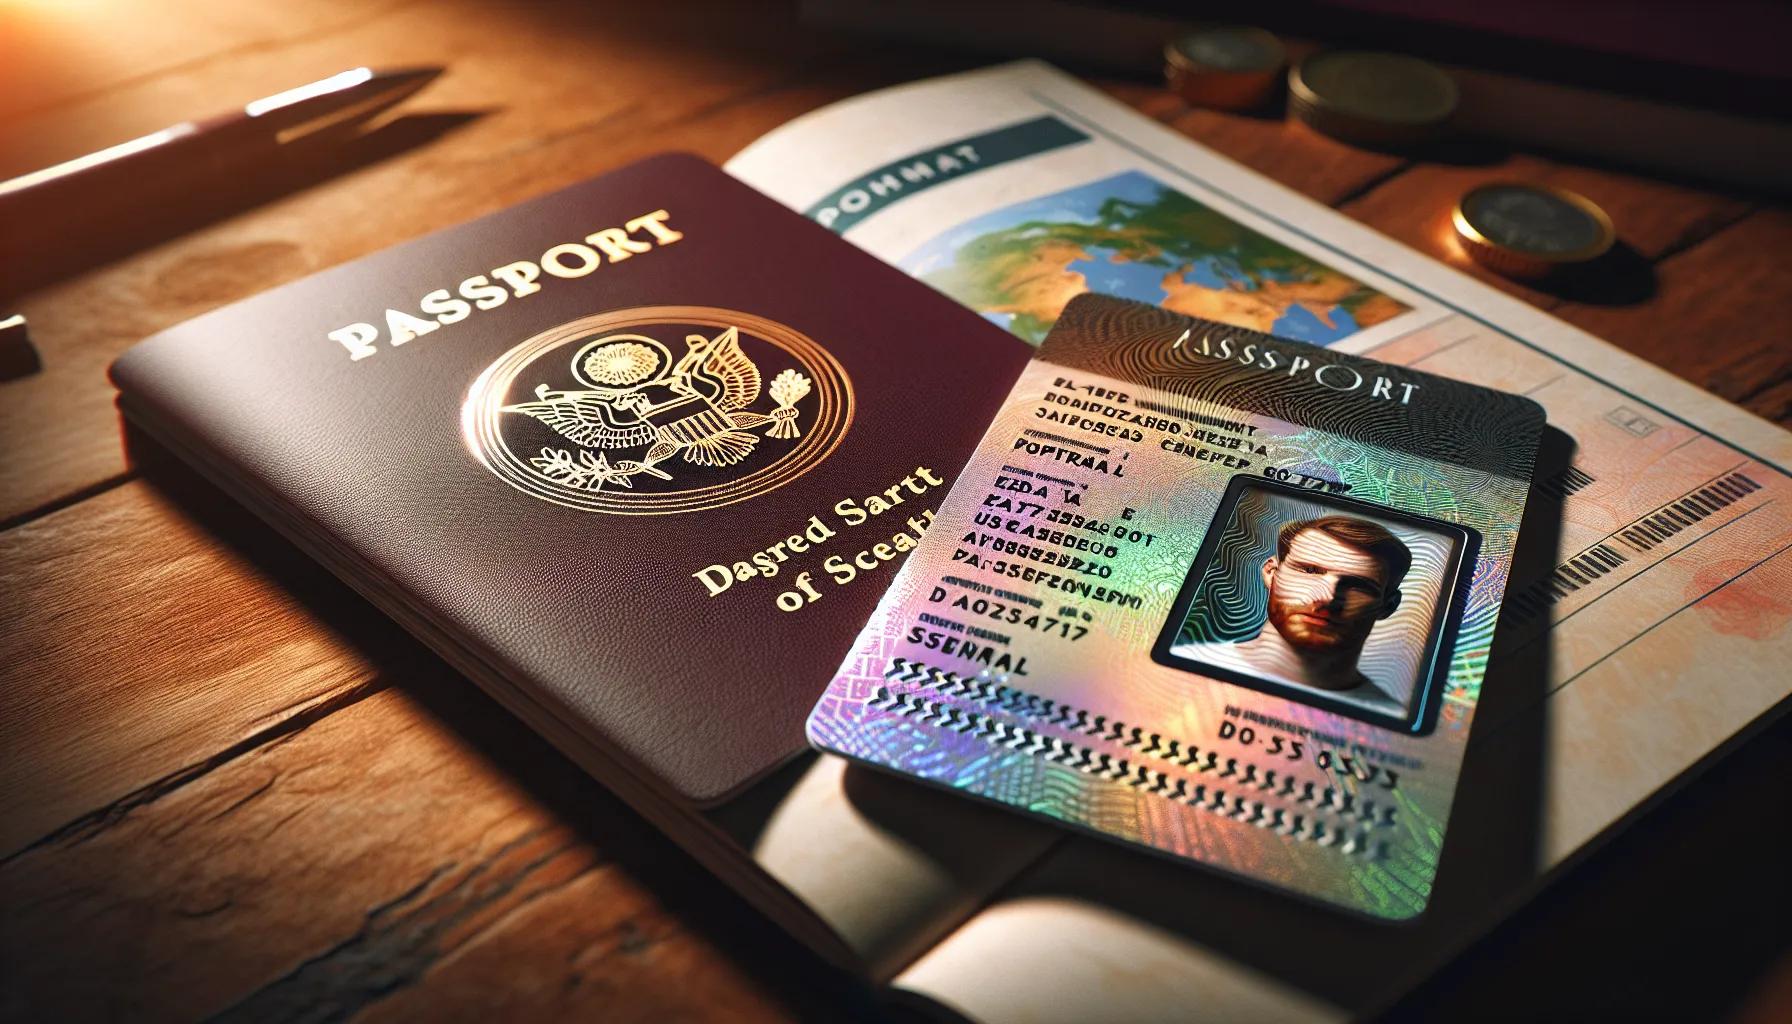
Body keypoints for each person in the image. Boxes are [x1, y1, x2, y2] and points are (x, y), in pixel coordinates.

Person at [1174, 515, 1411, 708]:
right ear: (1271, 573)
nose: (1327, 597)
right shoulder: (1183, 666)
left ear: (1388, 606)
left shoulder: (1391, 717)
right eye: (1309, 571)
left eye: (1358, 586)